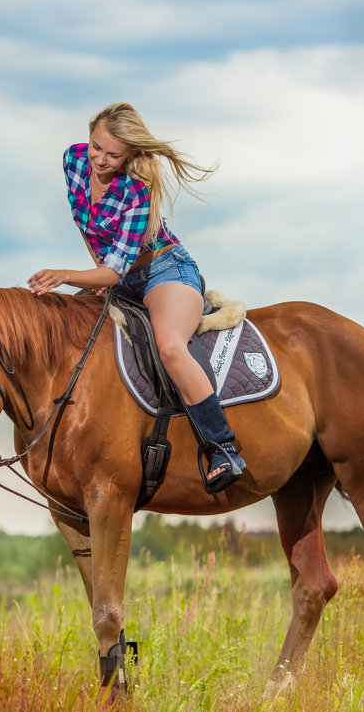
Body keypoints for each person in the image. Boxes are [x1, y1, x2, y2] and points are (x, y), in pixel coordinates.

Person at [28, 102, 245, 493]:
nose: (101, 159)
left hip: (163, 269)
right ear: (89, 136)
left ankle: (222, 447)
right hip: (115, 271)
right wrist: (95, 270)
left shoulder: (136, 190)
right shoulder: (73, 160)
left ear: (130, 155)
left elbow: (115, 271)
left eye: (114, 154)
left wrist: (68, 275)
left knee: (170, 347)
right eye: (97, 146)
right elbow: (87, 226)